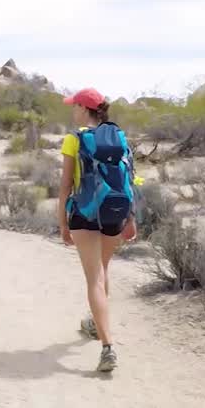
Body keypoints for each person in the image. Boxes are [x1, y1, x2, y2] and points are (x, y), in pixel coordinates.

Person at [58, 87, 139, 373]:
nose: (72, 110)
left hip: (84, 214)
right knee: (103, 270)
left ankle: (108, 347)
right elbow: (129, 178)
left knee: (93, 278)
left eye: (74, 106)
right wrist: (130, 218)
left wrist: (62, 223)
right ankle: (95, 323)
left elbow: (66, 186)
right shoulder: (119, 137)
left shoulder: (74, 139)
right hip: (115, 211)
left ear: (83, 108)